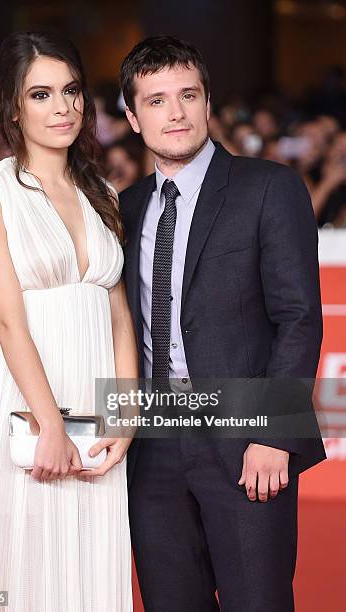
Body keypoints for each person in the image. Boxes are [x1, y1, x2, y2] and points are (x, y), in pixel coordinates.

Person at [117, 36, 325, 611]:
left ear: (208, 102)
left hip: (244, 438)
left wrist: (273, 434)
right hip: (152, 441)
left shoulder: (269, 187)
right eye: (156, 101)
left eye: (187, 95)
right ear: (133, 118)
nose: (175, 112)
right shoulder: (126, 208)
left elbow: (299, 317)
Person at [0, 30, 136, 611]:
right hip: (29, 396)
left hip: (96, 396)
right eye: (41, 94)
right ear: (14, 105)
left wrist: (127, 413)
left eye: (71, 91)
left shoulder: (101, 192)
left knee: (91, 559)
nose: (62, 107)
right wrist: (50, 425)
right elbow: (9, 323)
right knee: (26, 559)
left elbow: (119, 317)